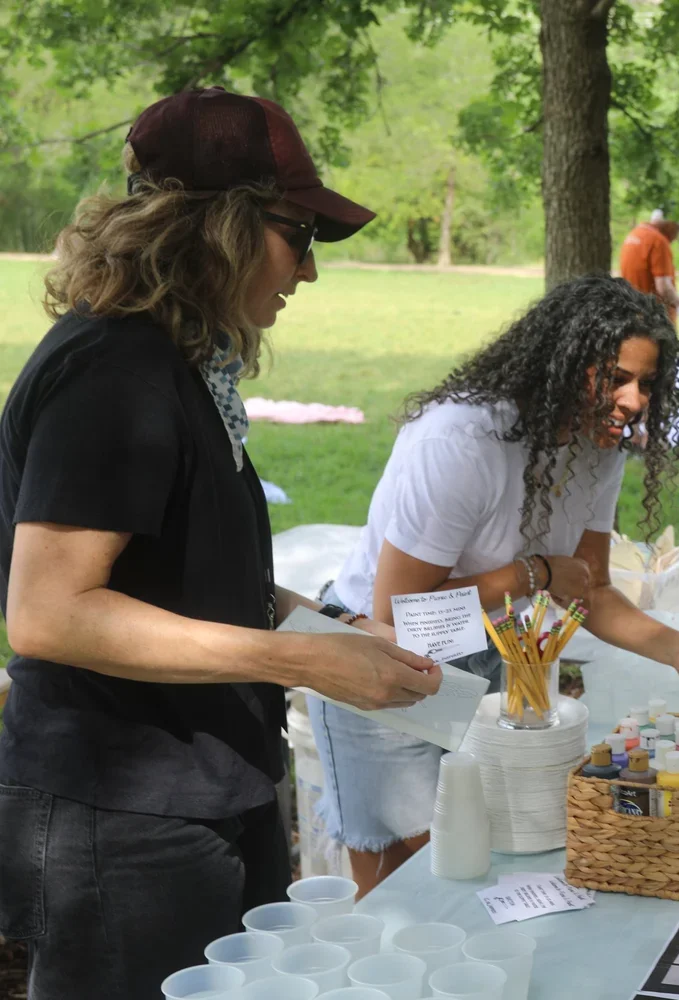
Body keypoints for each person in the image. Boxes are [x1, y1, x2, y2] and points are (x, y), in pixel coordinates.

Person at [0, 88, 441, 1000]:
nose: (308, 271)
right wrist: (297, 662)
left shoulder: (178, 364)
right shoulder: (113, 373)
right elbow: (48, 615)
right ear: (218, 227)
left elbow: (192, 572)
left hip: (201, 791)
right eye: (299, 236)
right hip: (119, 815)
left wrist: (334, 632)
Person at [310, 275, 679, 896]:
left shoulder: (600, 447)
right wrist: (532, 574)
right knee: (405, 881)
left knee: (475, 862)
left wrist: (675, 647)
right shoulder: (462, 440)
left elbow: (588, 591)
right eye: (617, 378)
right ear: (563, 363)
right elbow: (399, 612)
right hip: (378, 655)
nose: (635, 400)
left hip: (482, 649)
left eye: (647, 383)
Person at [619, 215, 679, 323]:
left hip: (633, 311)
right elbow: (663, 287)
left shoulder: (635, 234)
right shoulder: (658, 241)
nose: (676, 237)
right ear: (670, 224)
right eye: (678, 229)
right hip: (655, 318)